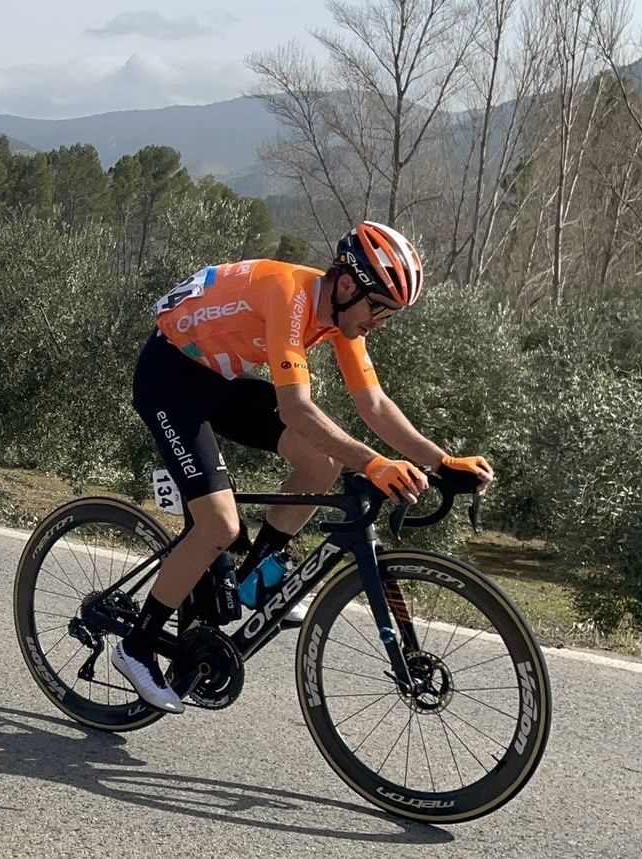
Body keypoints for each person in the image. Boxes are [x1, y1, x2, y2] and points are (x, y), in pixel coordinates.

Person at [116, 221, 496, 713]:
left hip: (218, 378)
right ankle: (137, 645)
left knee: (323, 462)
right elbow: (296, 409)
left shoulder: (339, 318)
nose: (379, 321)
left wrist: (441, 461)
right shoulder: (289, 294)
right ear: (345, 284)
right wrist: (377, 463)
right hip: (168, 378)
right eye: (377, 306)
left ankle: (257, 572)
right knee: (219, 523)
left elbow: (374, 404)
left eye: (390, 313)